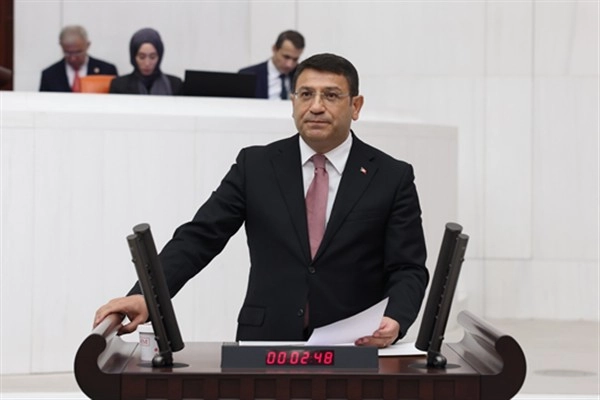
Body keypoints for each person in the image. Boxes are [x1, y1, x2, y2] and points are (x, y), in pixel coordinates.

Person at [95, 53, 429, 348]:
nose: (316, 106)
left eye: (331, 95)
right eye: (306, 94)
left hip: (355, 345)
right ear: (293, 101)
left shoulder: (391, 176)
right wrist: (146, 295)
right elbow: (199, 237)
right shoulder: (255, 166)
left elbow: (408, 267)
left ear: (355, 106)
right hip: (266, 342)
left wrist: (396, 318)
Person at [39, 25, 118, 92]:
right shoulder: (50, 75)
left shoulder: (107, 70)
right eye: (68, 53)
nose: (73, 58)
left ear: (87, 45)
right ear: (61, 46)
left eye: (78, 52)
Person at [109, 28, 182, 95]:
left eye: (152, 57)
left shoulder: (175, 85)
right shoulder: (119, 85)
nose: (147, 63)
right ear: (133, 57)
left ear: (159, 57)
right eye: (142, 57)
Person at [239, 30, 305, 100]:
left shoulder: (302, 75)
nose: (289, 65)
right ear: (274, 49)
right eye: (286, 57)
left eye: (295, 59)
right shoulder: (248, 75)